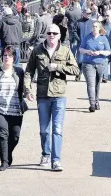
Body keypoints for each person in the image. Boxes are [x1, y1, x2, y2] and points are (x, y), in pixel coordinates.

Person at [24, 24, 80, 171]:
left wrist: (58, 67)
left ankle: (56, 160)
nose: (51, 35)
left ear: (59, 35)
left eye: (55, 33)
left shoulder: (65, 50)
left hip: (59, 95)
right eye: (49, 33)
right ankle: (45, 154)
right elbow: (29, 71)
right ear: (46, 35)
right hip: (42, 95)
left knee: (57, 129)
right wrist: (27, 89)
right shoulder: (37, 51)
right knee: (44, 129)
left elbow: (76, 70)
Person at [79, 21, 111, 112]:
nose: (94, 28)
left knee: (97, 84)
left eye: (96, 26)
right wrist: (87, 51)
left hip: (100, 63)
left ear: (99, 28)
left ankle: (96, 101)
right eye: (93, 26)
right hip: (88, 63)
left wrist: (99, 52)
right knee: (91, 84)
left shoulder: (103, 38)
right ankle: (92, 104)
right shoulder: (87, 37)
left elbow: (108, 52)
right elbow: (81, 49)